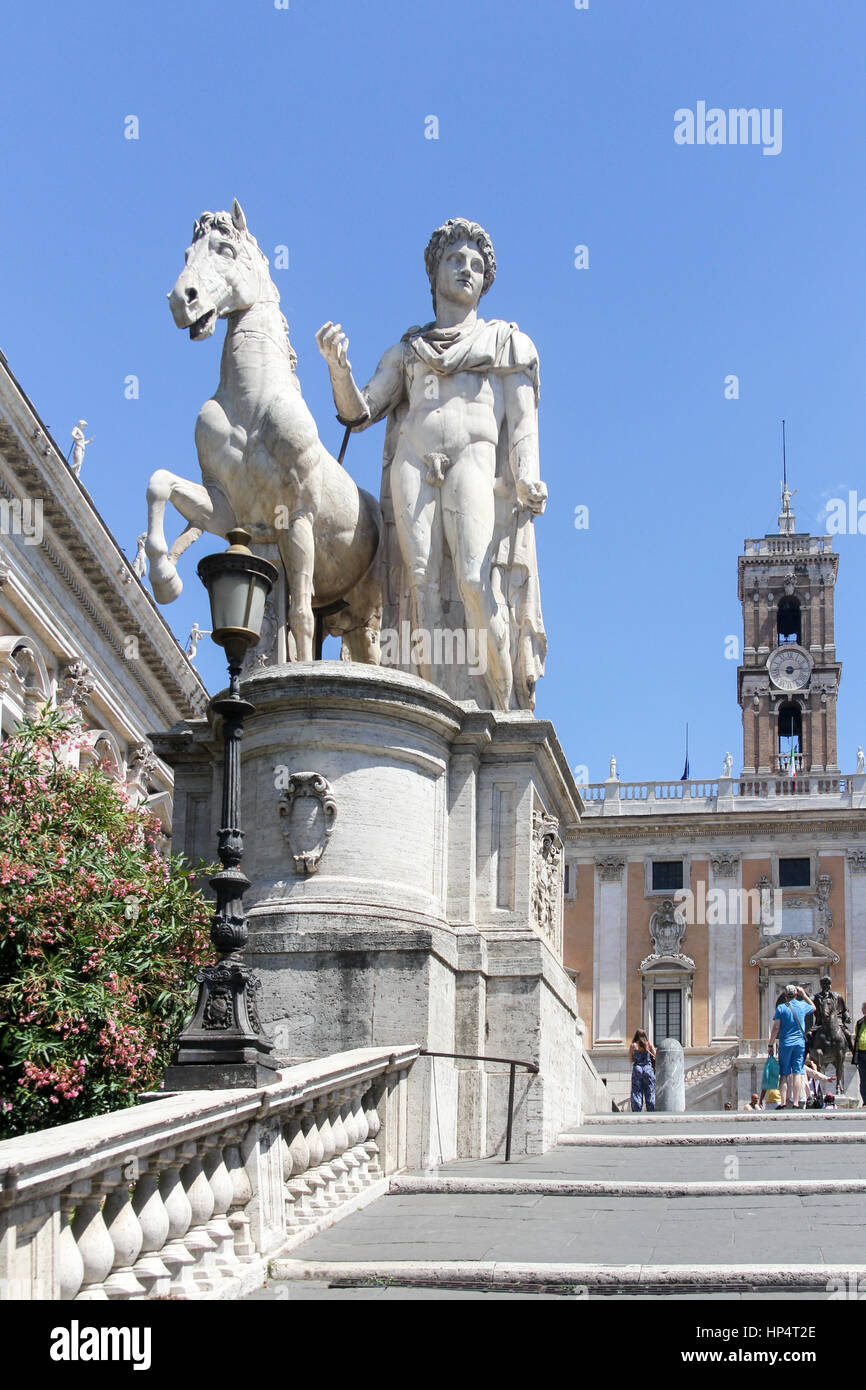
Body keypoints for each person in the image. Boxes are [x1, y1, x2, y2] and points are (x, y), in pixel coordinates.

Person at [317, 218, 548, 712]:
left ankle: (503, 705)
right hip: (413, 461)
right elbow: (359, 412)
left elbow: (523, 421)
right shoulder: (406, 352)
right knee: (417, 584)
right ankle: (427, 708)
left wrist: (527, 473)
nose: (467, 270)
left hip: (475, 458)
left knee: (472, 578)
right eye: (456, 260)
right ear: (434, 272)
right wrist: (339, 369)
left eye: (477, 265)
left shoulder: (507, 344)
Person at [769, 983, 815, 1108]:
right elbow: (814, 1007)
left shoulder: (781, 1008)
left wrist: (770, 1044)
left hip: (785, 1043)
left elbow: (776, 1027)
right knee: (797, 1072)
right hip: (799, 1043)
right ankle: (795, 1102)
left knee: (784, 1073)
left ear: (784, 995)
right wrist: (804, 994)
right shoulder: (802, 1005)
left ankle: (783, 1102)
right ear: (796, 994)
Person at [629, 1029, 656, 1112]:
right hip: (648, 1069)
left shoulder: (633, 1046)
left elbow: (631, 1059)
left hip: (638, 1068)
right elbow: (655, 1055)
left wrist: (636, 1058)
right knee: (650, 1090)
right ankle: (651, 1108)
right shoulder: (649, 1045)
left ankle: (637, 1109)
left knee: (636, 1090)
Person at [853, 1001, 866, 1107]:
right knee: (863, 1079)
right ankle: (865, 1102)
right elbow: (856, 1038)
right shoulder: (859, 1023)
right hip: (861, 1054)